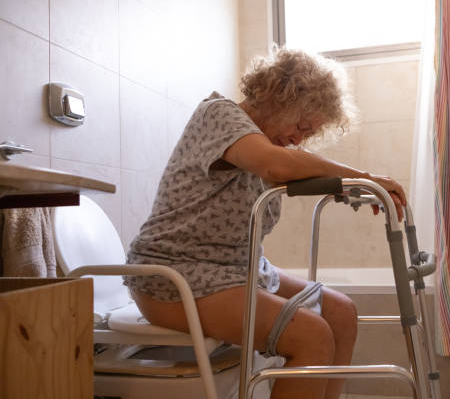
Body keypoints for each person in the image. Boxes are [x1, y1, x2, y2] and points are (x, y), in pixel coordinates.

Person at [124, 47, 407, 399]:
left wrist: (355, 188)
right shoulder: (219, 115)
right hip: (176, 274)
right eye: (301, 125)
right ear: (279, 97)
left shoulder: (261, 143)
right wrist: (366, 176)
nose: (299, 139)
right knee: (311, 336)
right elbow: (279, 166)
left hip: (235, 270)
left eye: (309, 132)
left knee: (342, 312)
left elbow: (296, 167)